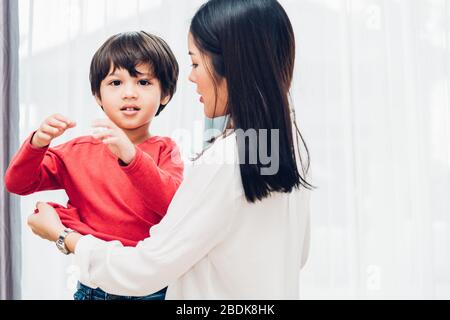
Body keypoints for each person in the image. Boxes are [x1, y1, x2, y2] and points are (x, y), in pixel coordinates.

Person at [27, 0, 313, 299]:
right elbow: (297, 254)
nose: (191, 77)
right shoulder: (286, 146)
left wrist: (63, 236)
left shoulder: (225, 160)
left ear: (230, 65)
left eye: (195, 63)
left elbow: (145, 269)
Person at [5, 31, 183, 300]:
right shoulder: (77, 151)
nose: (129, 93)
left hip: (153, 290)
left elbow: (172, 206)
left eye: (144, 82)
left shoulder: (166, 150)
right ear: (97, 95)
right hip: (93, 289)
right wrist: (38, 143)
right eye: (115, 82)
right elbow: (17, 183)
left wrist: (131, 158)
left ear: (166, 94)